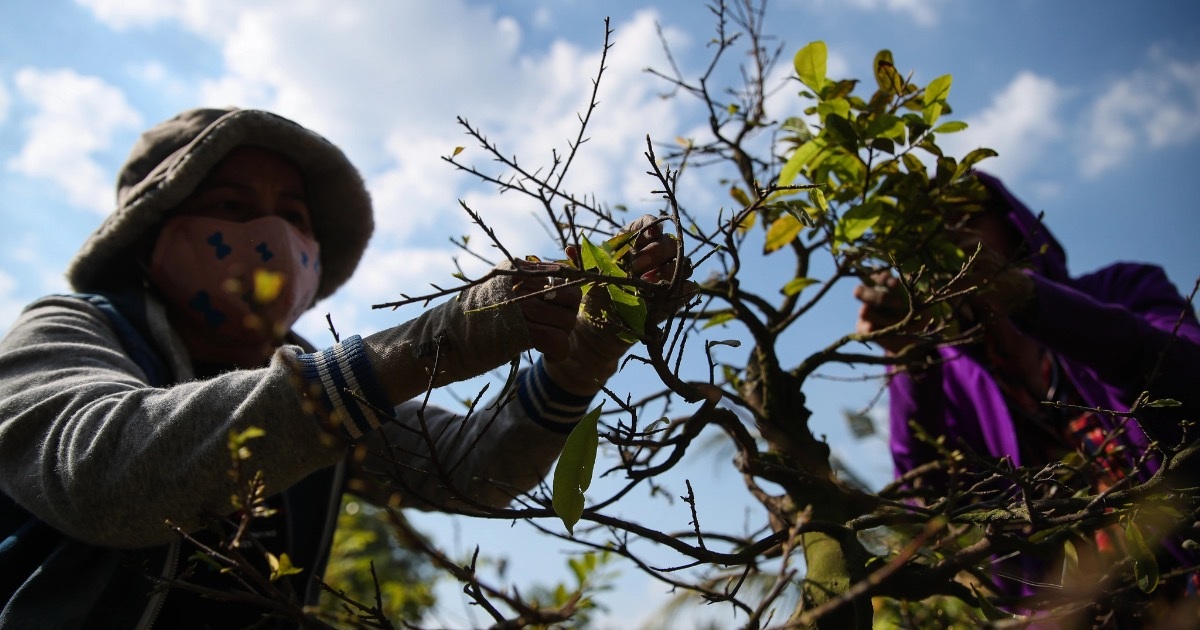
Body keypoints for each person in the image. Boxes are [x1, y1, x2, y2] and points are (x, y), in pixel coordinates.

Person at [0, 107, 689, 628]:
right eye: (233, 209)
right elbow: (101, 475)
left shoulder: (313, 383)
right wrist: (436, 340)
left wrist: (581, 360)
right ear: (152, 234)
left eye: (293, 216)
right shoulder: (69, 330)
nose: (271, 236)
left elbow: (476, 469)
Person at [854, 172, 1200, 607]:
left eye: (963, 218)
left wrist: (1028, 299)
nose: (950, 241)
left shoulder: (1124, 288)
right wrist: (910, 363)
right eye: (927, 236)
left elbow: (1186, 369)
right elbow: (931, 491)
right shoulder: (947, 376)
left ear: (1012, 224)